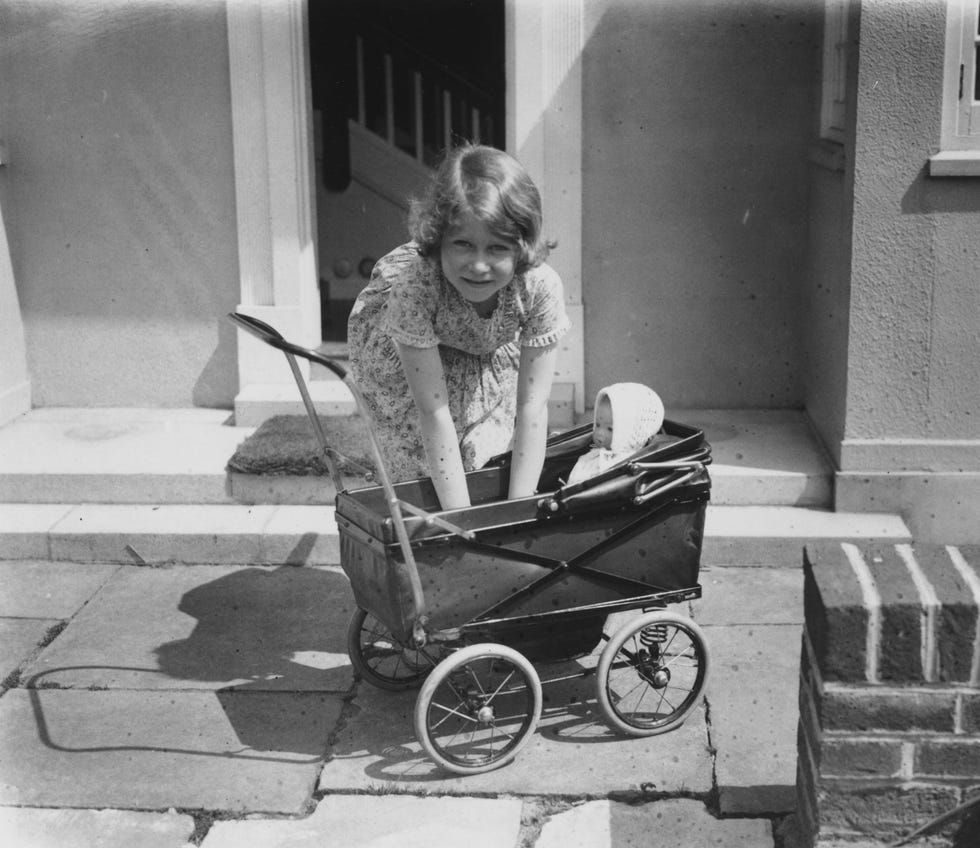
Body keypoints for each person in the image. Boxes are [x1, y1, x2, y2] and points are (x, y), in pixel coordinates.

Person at [347, 144, 570, 510]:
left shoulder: (540, 287)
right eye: (463, 244)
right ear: (438, 241)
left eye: (497, 248)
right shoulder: (415, 287)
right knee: (423, 478)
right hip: (414, 356)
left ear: (522, 247)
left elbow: (532, 406)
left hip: (484, 344)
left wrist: (519, 512)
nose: (479, 266)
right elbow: (432, 412)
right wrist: (462, 521)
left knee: (490, 457)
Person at [566, 383, 665, 485]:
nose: (599, 433)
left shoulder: (623, 467)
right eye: (598, 424)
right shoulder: (594, 456)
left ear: (632, 435)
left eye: (610, 429)